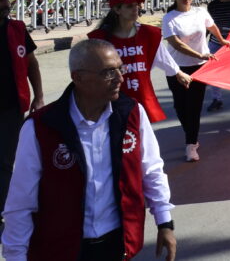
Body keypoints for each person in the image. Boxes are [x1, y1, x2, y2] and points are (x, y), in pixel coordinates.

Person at [1, 39, 177, 260]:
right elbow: (21, 201)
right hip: (61, 249)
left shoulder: (131, 113)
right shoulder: (41, 126)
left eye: (120, 69)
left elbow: (151, 170)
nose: (120, 79)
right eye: (108, 72)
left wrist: (165, 222)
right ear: (78, 77)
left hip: (116, 244)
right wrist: (16, 256)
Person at [88, 0, 190, 123]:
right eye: (129, 6)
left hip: (142, 96)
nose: (135, 9)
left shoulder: (148, 33)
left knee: (142, 138)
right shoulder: (101, 38)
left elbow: (162, 56)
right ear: (117, 10)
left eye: (137, 5)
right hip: (113, 97)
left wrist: (178, 72)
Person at [161, 0, 230, 162]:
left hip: (199, 67)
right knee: (180, 106)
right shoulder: (170, 18)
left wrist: (221, 40)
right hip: (176, 68)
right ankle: (190, 133)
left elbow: (211, 26)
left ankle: (191, 143)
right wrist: (200, 54)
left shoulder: (200, 12)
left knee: (194, 107)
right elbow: (176, 43)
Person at [0, 0, 45, 218]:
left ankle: (2, 211)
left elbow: (32, 64)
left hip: (11, 107)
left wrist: (38, 96)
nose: (6, 2)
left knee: (6, 161)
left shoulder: (16, 29)